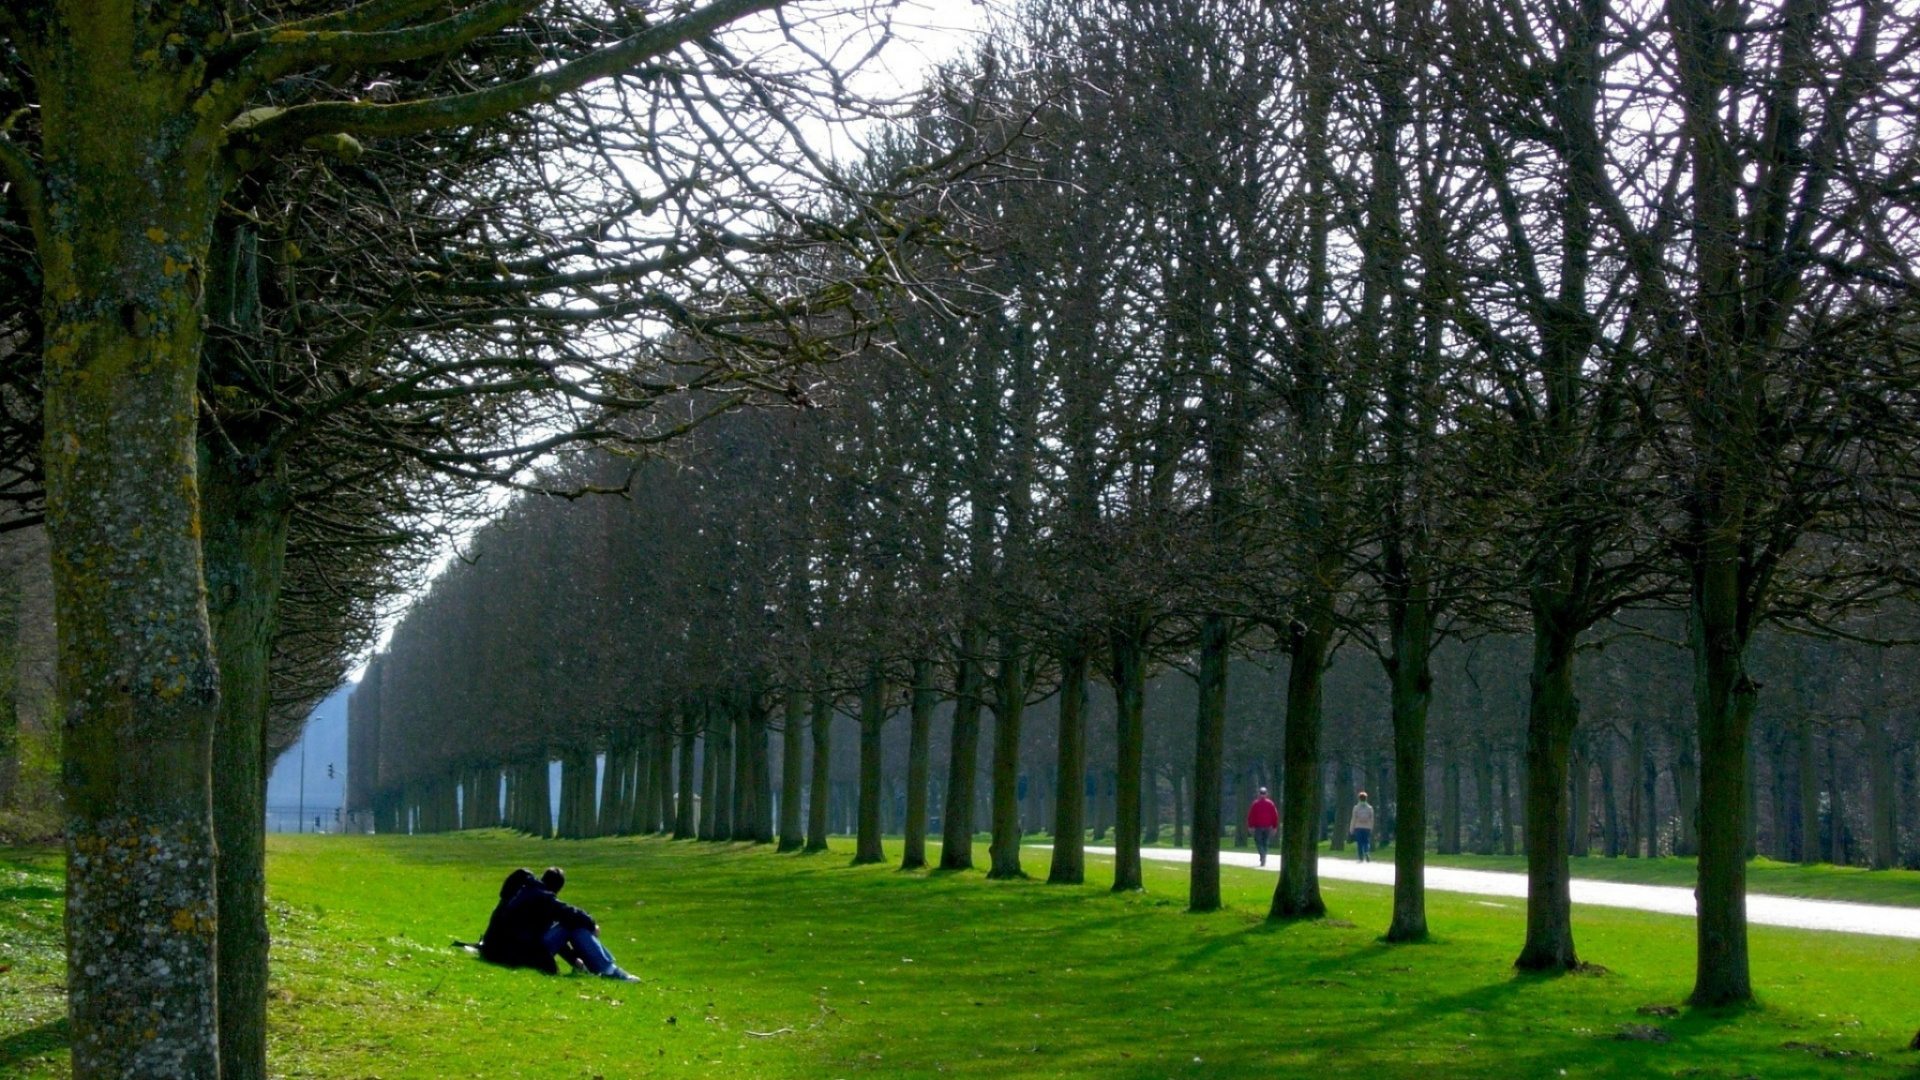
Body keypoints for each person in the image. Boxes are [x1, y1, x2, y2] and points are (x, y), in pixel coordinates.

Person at [480, 866, 639, 980]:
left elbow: (541, 935)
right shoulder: (544, 899)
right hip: (517, 953)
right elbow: (572, 914)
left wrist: (574, 961)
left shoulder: (525, 890)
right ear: (558, 889)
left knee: (569, 924)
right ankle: (608, 970)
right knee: (573, 924)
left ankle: (593, 967)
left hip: (500, 950)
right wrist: (592, 925)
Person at [1246, 786, 1279, 867]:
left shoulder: (1256, 804)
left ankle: (1262, 855)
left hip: (1258, 826)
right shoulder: (1270, 803)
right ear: (1266, 794)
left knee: (1258, 842)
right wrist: (1274, 826)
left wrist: (1250, 826)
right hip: (1267, 826)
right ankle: (1263, 856)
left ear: (1259, 793)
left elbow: (1251, 816)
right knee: (1265, 842)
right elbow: (1275, 816)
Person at [1350, 792, 1375, 863]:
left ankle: (1361, 857)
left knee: (1359, 842)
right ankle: (1367, 852)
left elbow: (1353, 819)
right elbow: (1371, 819)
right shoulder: (1370, 808)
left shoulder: (1356, 808)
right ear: (1366, 799)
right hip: (1367, 827)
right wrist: (1371, 827)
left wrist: (1351, 828)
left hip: (1358, 827)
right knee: (1366, 841)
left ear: (1359, 798)